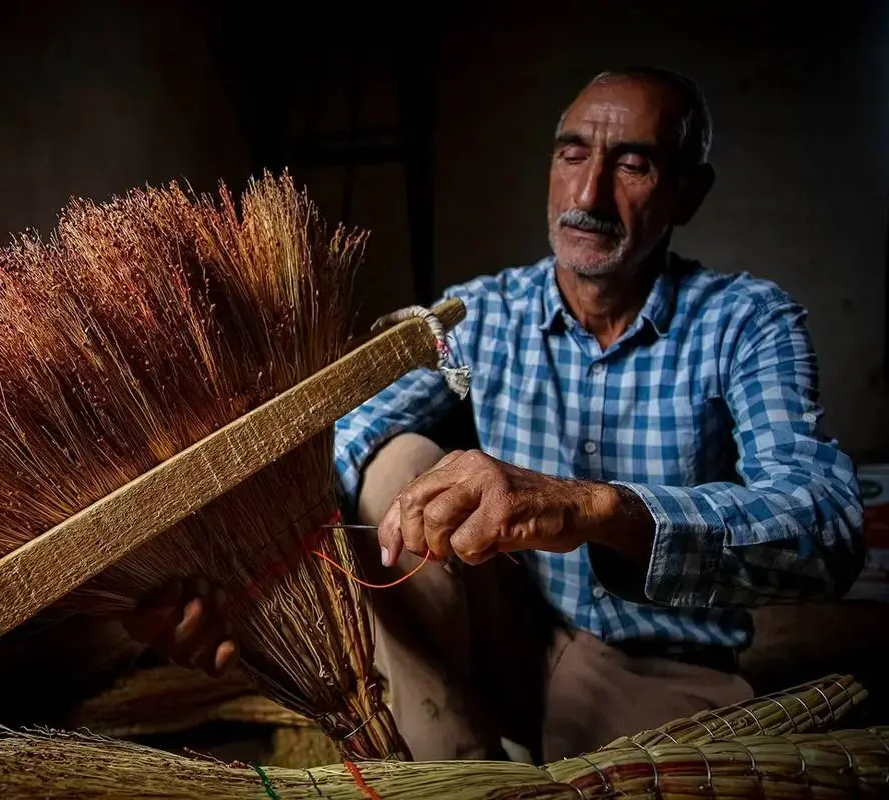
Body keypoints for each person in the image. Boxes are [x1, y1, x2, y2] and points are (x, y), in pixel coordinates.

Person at [119, 66, 866, 763]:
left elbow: (826, 525)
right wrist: (233, 574)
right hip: (508, 634)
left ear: (688, 194)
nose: (590, 195)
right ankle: (456, 762)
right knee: (396, 468)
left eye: (632, 165)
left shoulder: (746, 320)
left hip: (652, 658)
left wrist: (598, 508)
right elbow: (344, 439)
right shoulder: (486, 313)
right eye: (573, 155)